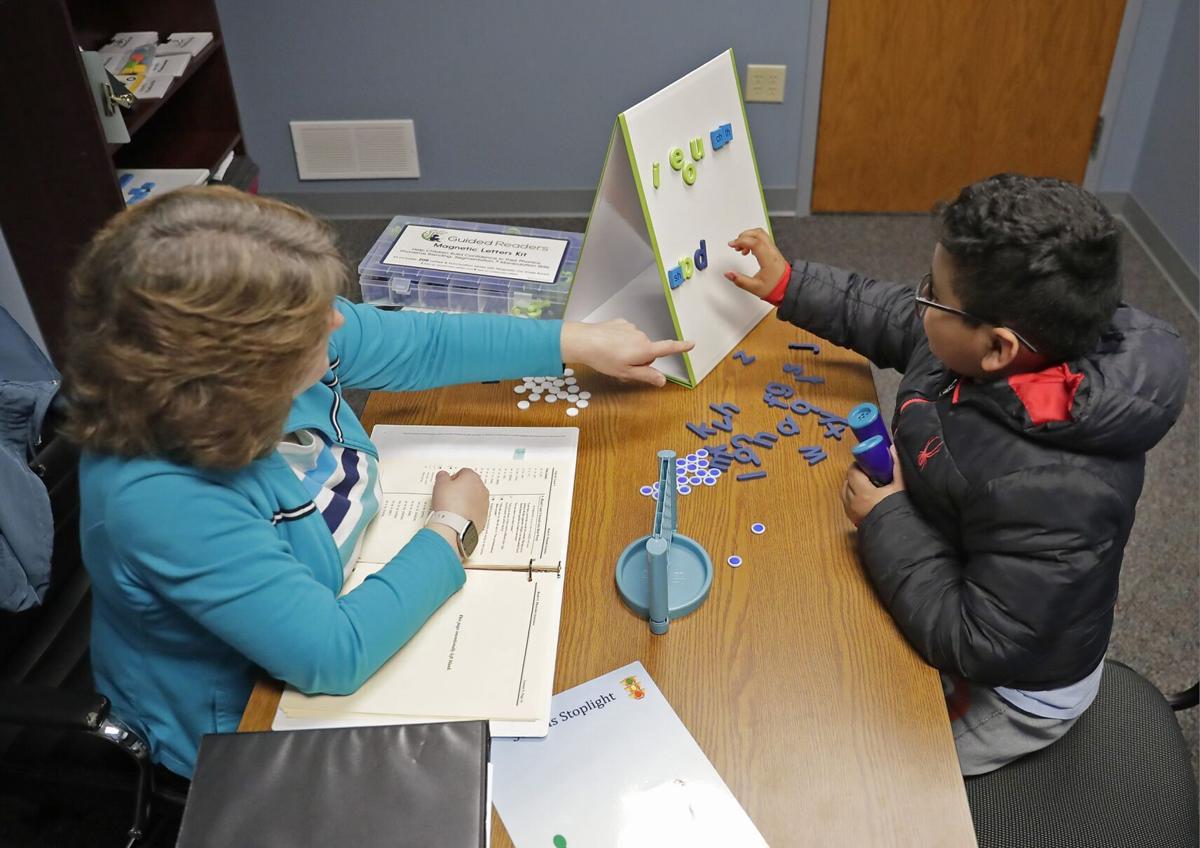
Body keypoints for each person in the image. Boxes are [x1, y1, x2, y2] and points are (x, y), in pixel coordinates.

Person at [63, 186, 694, 778]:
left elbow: (419, 342)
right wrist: (452, 529)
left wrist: (576, 341)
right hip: (242, 717)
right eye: (312, 323)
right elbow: (331, 655)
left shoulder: (280, 339)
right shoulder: (164, 499)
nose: (337, 324)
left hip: (341, 580)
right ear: (237, 372)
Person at [724, 173, 1188, 774]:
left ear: (996, 349)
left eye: (933, 294)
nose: (918, 302)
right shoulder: (1010, 343)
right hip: (967, 557)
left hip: (1011, 688)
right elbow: (895, 318)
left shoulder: (1055, 489)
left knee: (876, 771)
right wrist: (790, 285)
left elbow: (978, 640)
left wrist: (885, 517)